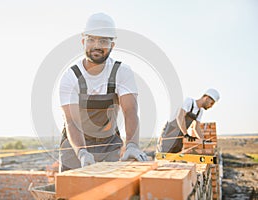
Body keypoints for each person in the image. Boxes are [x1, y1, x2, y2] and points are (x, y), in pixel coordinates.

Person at [58, 13, 147, 171]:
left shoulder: (122, 72)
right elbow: (72, 121)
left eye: (103, 40)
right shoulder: (71, 76)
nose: (96, 45)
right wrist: (82, 152)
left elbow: (130, 111)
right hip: (75, 147)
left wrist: (132, 145)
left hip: (108, 148)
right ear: (83, 42)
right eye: (91, 39)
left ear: (112, 45)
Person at [157, 88, 220, 153]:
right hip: (169, 135)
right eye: (211, 103)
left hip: (180, 138)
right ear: (206, 98)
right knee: (163, 157)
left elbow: (196, 128)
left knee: (174, 159)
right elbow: (180, 117)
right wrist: (186, 134)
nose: (211, 106)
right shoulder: (189, 102)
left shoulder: (199, 111)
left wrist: (203, 140)